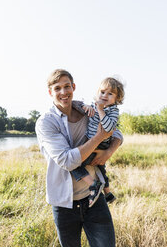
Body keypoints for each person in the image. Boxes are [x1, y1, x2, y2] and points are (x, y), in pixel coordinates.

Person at [35, 69, 123, 247]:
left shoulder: (86, 110)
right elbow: (67, 161)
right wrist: (99, 138)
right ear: (50, 92)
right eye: (57, 88)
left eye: (67, 86)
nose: (63, 92)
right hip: (65, 204)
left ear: (73, 87)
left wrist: (109, 151)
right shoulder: (46, 122)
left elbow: (116, 132)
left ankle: (101, 188)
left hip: (94, 199)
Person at [71, 77, 125, 207]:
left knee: (74, 165)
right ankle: (108, 193)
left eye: (110, 93)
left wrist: (100, 110)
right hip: (93, 141)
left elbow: (107, 129)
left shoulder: (113, 111)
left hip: (101, 143)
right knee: (100, 168)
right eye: (102, 92)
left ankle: (94, 185)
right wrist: (88, 107)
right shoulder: (95, 105)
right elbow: (88, 110)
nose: (105, 96)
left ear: (117, 99)